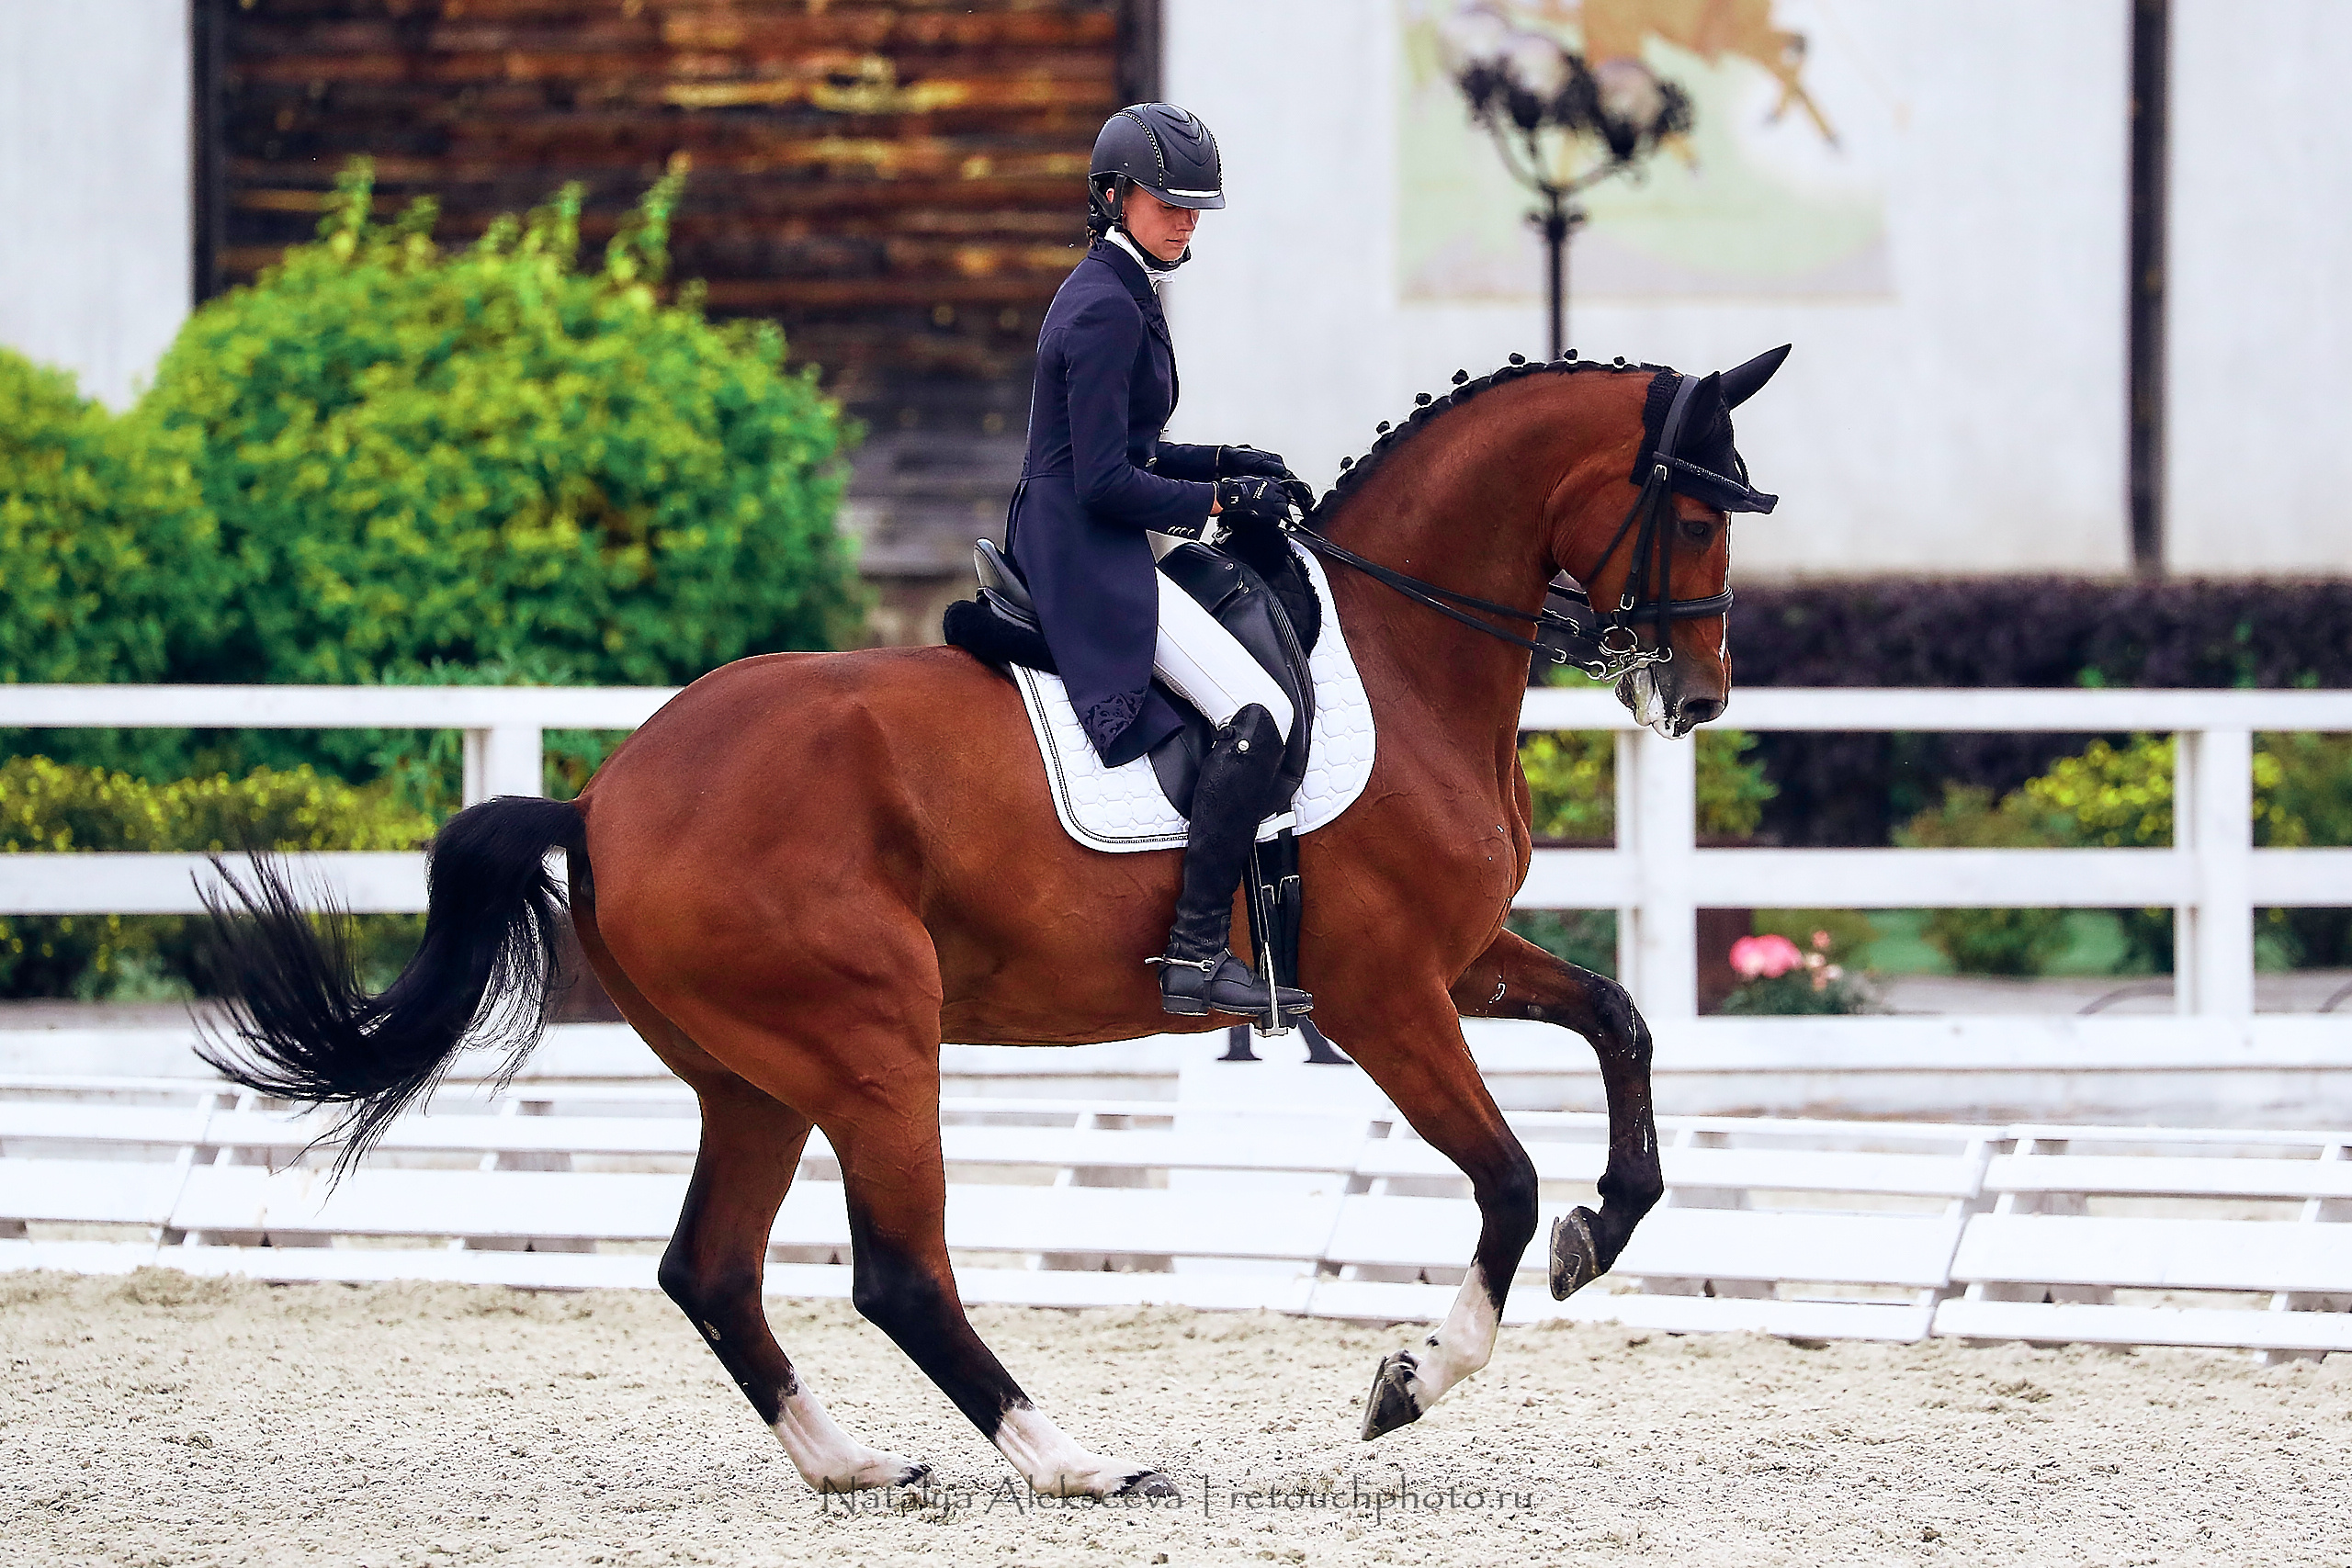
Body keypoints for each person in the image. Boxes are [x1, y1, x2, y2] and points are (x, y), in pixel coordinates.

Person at [1005, 102, 1315, 1021]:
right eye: (1165, 201)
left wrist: (1230, 463)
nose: (1183, 219)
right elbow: (1104, 481)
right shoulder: (1104, 307)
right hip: (1084, 548)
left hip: (1090, 529)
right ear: (1111, 195)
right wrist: (1220, 503)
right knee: (1256, 712)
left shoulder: (1121, 287)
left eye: (1194, 207)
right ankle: (1194, 950)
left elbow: (1136, 446)